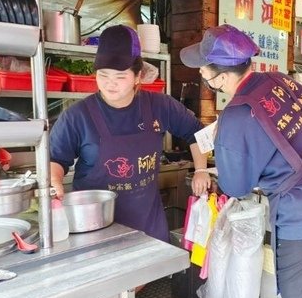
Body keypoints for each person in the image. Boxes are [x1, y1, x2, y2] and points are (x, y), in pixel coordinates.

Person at [180, 24, 302, 298]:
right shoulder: (281, 81)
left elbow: (236, 187)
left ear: (221, 77)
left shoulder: (236, 116)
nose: (200, 73)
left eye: (203, 68)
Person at [49, 25, 211, 244]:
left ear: (138, 76)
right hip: (95, 225)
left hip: (146, 221)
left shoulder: (159, 105)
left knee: (144, 275)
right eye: (103, 75)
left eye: (120, 76)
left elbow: (197, 132)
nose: (110, 83)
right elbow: (55, 158)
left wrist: (201, 169)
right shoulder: (78, 116)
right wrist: (55, 181)